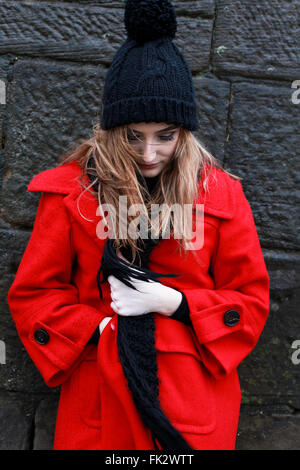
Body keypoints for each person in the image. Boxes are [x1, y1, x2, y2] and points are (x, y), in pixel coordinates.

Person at [7, 0, 270, 451]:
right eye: (133, 136)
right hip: (99, 400)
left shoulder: (221, 195)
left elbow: (250, 299)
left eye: (165, 136)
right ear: (111, 130)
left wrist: (177, 303)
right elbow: (35, 293)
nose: (149, 154)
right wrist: (98, 330)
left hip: (192, 404)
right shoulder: (73, 192)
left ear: (183, 132)